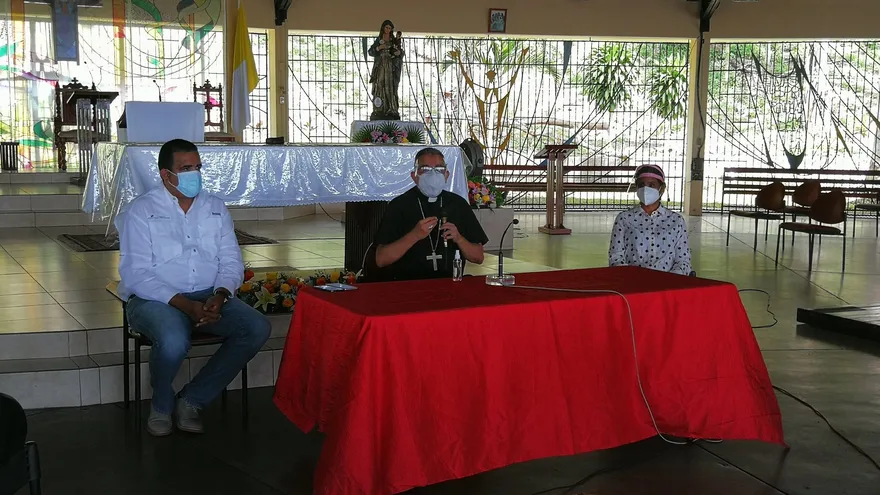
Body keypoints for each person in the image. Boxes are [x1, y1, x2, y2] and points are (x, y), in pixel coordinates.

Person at [116, 139, 271, 437]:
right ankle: (161, 404)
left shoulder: (214, 207)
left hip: (207, 294)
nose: (194, 175)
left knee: (256, 328)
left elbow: (230, 260)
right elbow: (136, 273)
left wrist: (221, 294)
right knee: (174, 338)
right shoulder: (141, 210)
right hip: (153, 299)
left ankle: (192, 399)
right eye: (185, 169)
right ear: (165, 175)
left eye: (197, 167)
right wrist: (185, 306)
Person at [374, 147, 488, 280]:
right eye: (426, 169)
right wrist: (414, 235)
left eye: (439, 169)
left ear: (446, 175)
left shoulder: (458, 204)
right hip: (407, 287)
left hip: (450, 284)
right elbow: (381, 259)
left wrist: (459, 238)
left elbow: (478, 258)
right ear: (414, 176)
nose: (433, 174)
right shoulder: (399, 205)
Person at [608, 164, 693, 275]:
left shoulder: (676, 221)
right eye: (641, 184)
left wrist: (668, 281)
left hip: (667, 284)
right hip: (633, 283)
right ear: (637, 187)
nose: (645, 189)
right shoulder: (624, 219)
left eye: (651, 185)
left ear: (661, 188)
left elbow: (683, 261)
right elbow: (615, 258)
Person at [368, 20, 403, 121]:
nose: (388, 30)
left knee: (390, 86)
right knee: (379, 85)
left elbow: (399, 51)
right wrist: (379, 48)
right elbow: (370, 51)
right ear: (383, 28)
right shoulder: (378, 39)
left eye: (390, 28)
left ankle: (391, 109)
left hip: (390, 66)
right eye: (386, 27)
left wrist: (398, 53)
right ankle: (379, 109)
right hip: (380, 66)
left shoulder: (393, 40)